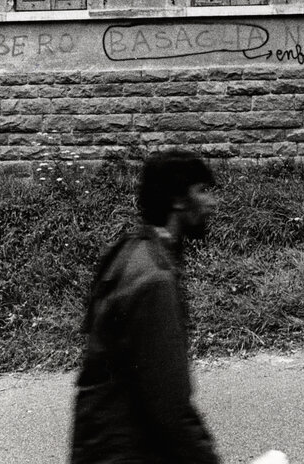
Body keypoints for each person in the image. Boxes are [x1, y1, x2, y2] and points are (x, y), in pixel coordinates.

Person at [69, 150, 221, 464]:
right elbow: (169, 405)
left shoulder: (130, 251)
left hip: (100, 444)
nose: (212, 203)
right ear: (179, 200)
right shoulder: (154, 280)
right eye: (202, 191)